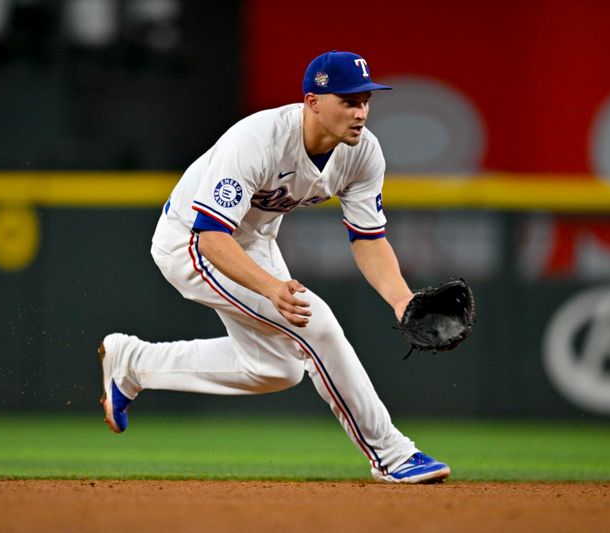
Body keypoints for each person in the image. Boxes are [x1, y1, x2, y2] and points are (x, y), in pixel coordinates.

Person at [99, 50, 450, 484]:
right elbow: (212, 238)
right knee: (314, 321)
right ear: (312, 101)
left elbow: (368, 239)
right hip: (190, 241)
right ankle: (392, 454)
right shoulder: (258, 139)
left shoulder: (363, 153)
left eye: (365, 100)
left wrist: (401, 299)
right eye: (348, 101)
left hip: (253, 240)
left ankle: (133, 362)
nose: (360, 112)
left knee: (276, 370)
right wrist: (271, 288)